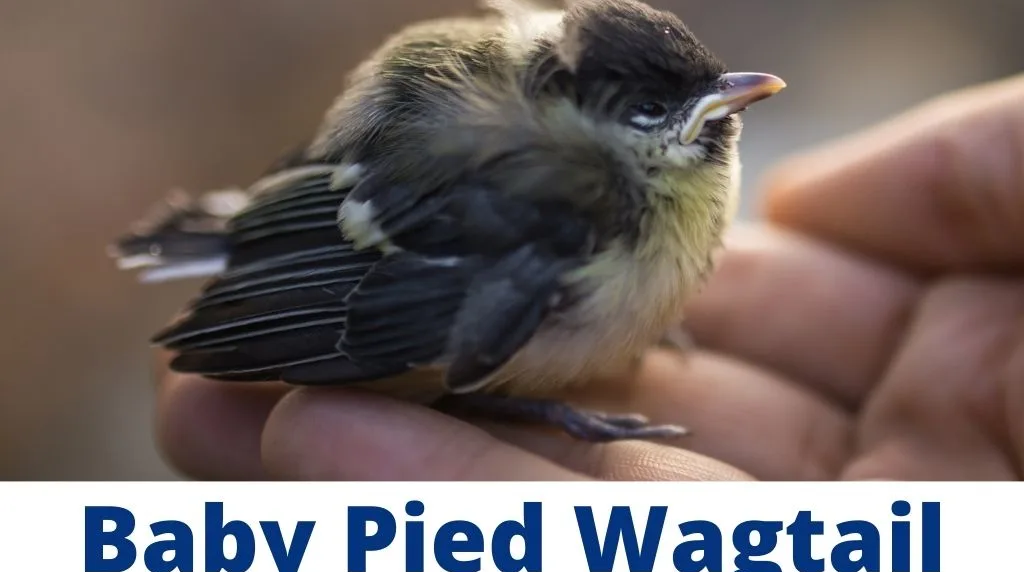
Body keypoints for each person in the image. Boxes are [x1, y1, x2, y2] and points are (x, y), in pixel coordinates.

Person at [153, 73, 1024, 481]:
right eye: (657, 109)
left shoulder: (659, 194)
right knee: (443, 366)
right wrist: (546, 407)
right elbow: (368, 299)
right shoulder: (560, 208)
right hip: (318, 218)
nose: (723, 105)